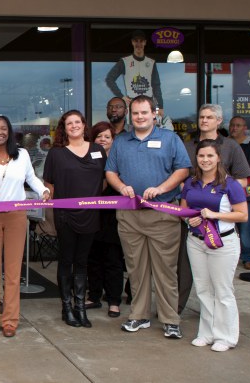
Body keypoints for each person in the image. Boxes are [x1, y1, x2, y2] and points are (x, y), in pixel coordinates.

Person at [105, 95, 191, 339]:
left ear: (155, 114)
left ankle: (170, 319)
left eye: (144, 112)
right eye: (135, 113)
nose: (139, 117)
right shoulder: (121, 141)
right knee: (136, 269)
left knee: (165, 270)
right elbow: (110, 171)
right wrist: (121, 187)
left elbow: (183, 169)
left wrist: (162, 188)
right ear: (130, 115)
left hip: (162, 214)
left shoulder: (170, 139)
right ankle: (138, 315)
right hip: (130, 216)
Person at [0, 115, 50, 338]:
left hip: (16, 216)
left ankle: (9, 320)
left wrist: (43, 190)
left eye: (3, 128)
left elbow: (32, 178)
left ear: (9, 131)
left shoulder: (22, 155)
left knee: (13, 270)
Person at [181, 104, 250, 312]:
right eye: (201, 117)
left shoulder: (230, 146)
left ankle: (223, 328)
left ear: (219, 121)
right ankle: (181, 310)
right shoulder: (188, 145)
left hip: (221, 220)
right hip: (193, 219)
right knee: (190, 273)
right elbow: (181, 177)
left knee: (220, 284)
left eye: (209, 117)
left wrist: (219, 192)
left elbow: (243, 180)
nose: (204, 121)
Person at [181, 139, 247, 352]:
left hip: (223, 243)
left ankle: (226, 337)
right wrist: (189, 220)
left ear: (218, 157)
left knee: (223, 290)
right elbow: (184, 210)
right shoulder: (191, 183)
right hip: (196, 241)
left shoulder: (230, 184)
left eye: (210, 155)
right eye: (201, 156)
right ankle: (206, 332)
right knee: (202, 289)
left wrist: (214, 215)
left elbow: (242, 215)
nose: (205, 160)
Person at [43, 110, 106, 328]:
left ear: (84, 125)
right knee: (66, 260)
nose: (73, 126)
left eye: (77, 122)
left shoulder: (98, 150)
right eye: (69, 123)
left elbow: (104, 181)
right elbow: (49, 184)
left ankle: (81, 307)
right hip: (65, 216)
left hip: (90, 215)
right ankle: (67, 307)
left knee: (82, 261)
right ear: (64, 127)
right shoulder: (56, 153)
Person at [85, 121, 124, 318]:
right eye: (99, 136)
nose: (102, 140)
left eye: (107, 137)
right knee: (93, 258)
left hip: (114, 217)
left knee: (113, 259)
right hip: (92, 215)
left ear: (113, 140)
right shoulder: (90, 159)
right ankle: (93, 295)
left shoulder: (119, 160)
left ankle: (114, 300)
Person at [105, 30, 171, 130]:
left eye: (141, 41)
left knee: (149, 130)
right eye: (136, 41)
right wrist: (121, 96)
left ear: (145, 42)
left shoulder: (151, 62)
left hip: (148, 104)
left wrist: (160, 106)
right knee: (131, 132)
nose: (138, 44)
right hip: (132, 104)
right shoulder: (125, 61)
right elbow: (109, 79)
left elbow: (156, 85)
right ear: (132, 42)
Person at [228, 115, 250, 270]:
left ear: (245, 128)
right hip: (224, 192)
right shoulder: (223, 144)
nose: (234, 128)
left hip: (246, 194)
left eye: (238, 125)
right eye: (232, 125)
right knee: (225, 225)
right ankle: (228, 256)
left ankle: (249, 257)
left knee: (247, 227)